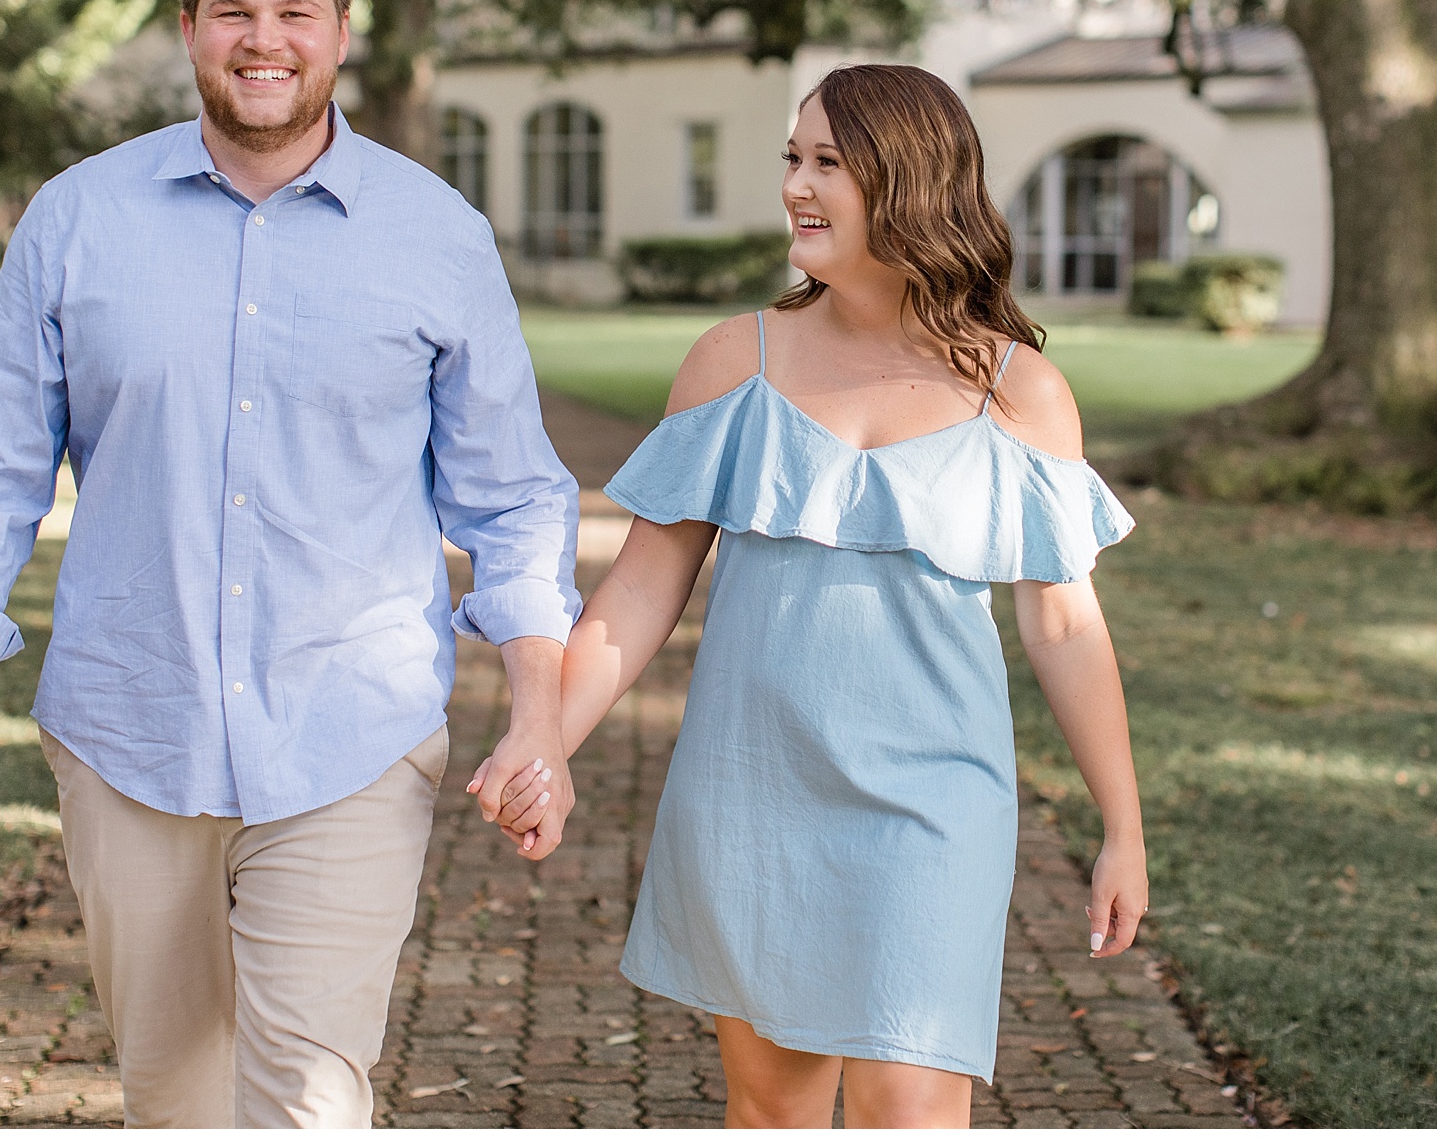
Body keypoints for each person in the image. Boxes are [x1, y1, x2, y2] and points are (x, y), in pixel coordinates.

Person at [0, 0, 581, 1128]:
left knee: (308, 1098)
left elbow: (514, 496)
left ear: (340, 33)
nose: (265, 42)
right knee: (175, 1099)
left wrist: (540, 718)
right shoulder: (77, 221)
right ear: (189, 30)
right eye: (234, 13)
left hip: (349, 733)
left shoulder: (436, 236)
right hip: (128, 729)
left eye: (294, 13)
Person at [474, 64, 1148, 1127]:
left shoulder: (1017, 392)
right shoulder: (729, 364)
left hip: (935, 804)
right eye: (793, 157)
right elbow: (641, 591)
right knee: (773, 1113)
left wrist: (1123, 824)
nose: (797, 183)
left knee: (908, 1109)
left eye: (828, 162)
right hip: (753, 790)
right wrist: (546, 736)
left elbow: (1063, 622)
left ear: (911, 182)